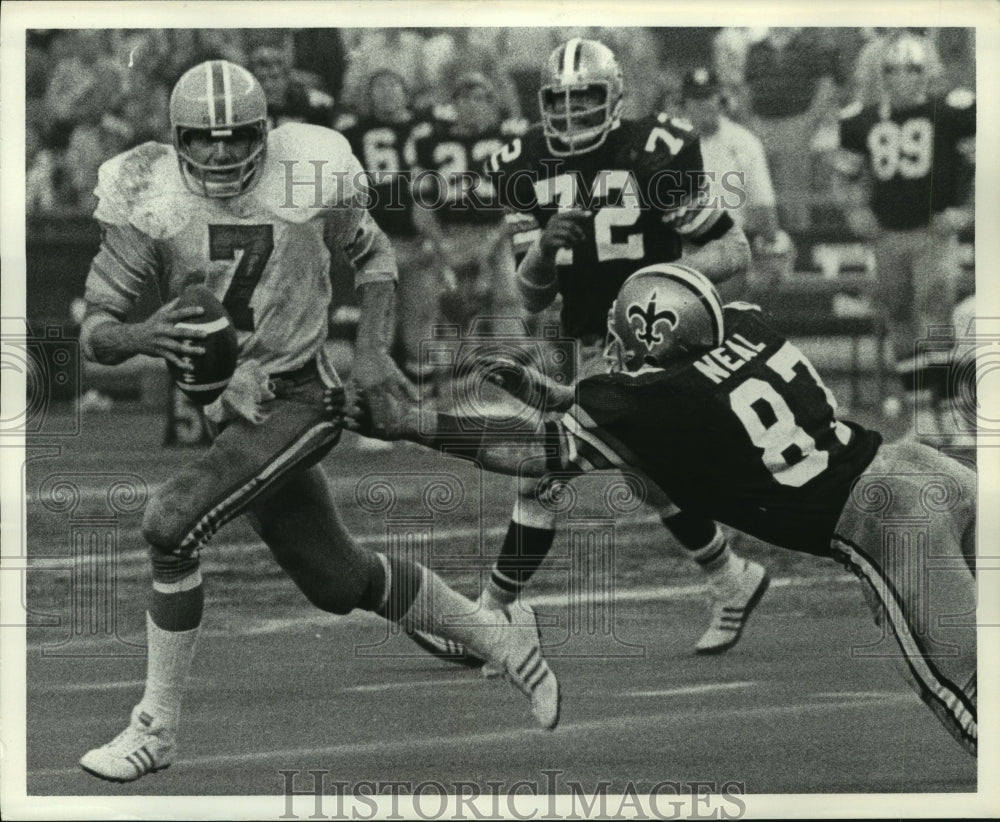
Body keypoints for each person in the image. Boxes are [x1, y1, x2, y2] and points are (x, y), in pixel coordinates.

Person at [76, 60, 559, 784]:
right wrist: (149, 335)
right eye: (201, 141)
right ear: (177, 140)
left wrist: (368, 356)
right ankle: (498, 635)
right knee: (339, 581)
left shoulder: (306, 169)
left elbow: (376, 254)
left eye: (234, 137)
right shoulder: (148, 190)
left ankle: (156, 727)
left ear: (263, 132)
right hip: (231, 410)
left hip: (301, 396)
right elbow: (97, 334)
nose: (218, 154)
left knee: (168, 523)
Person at [338, 261, 977, 758]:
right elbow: (674, 401)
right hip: (925, 467)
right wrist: (545, 390)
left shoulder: (651, 401)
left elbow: (531, 455)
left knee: (965, 694)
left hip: (887, 518)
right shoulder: (746, 322)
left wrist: (414, 423)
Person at [416, 37, 764, 663]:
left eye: (587, 99)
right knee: (646, 474)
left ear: (616, 97)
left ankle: (491, 618)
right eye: (561, 101)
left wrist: (655, 291)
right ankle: (730, 575)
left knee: (544, 470)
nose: (573, 114)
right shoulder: (523, 158)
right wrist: (546, 247)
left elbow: (734, 251)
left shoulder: (654, 149)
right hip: (586, 343)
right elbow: (529, 296)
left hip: (653, 342)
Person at [837, 33, 975, 428]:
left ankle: (949, 411)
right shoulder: (860, 118)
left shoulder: (952, 110)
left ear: (929, 71)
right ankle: (920, 411)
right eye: (892, 69)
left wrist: (963, 213)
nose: (901, 77)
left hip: (933, 234)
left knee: (936, 314)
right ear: (879, 74)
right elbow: (843, 179)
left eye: (911, 69)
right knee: (898, 315)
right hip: (888, 235)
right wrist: (856, 211)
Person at [408, 72, 526, 353]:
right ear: (453, 104)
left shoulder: (510, 138)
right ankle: (450, 380)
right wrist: (440, 244)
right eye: (464, 98)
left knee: (509, 295)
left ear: (492, 104)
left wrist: (496, 237)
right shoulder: (430, 142)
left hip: (499, 233)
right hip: (448, 235)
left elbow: (523, 200)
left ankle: (510, 372)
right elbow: (419, 205)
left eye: (480, 98)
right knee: (444, 304)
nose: (472, 105)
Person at [337, 70, 434, 384]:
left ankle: (423, 407)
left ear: (406, 91)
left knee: (420, 325)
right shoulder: (353, 132)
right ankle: (381, 412)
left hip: (418, 239)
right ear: (368, 94)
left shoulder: (426, 129)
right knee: (381, 328)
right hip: (376, 240)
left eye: (394, 84)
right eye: (378, 85)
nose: (387, 92)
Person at [679, 67, 792, 287]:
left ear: (720, 99)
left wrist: (769, 245)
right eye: (696, 98)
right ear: (684, 103)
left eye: (709, 96)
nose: (704, 104)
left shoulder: (744, 143)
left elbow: (764, 212)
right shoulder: (667, 143)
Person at [742, 28, 845, 232]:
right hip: (761, 125)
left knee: (793, 194)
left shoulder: (809, 47)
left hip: (795, 123)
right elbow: (745, 88)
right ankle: (761, 244)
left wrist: (807, 123)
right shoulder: (756, 49)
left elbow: (826, 87)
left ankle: (799, 243)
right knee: (759, 192)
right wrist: (750, 124)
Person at [249, 44, 336, 129]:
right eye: (261, 79)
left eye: (274, 78)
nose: (268, 85)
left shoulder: (310, 106)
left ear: (287, 78)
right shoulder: (248, 111)